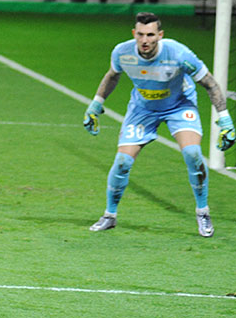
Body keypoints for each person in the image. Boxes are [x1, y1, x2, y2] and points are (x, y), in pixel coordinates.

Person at [83, 12, 234, 237]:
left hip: (179, 107)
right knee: (122, 161)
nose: (145, 40)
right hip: (143, 109)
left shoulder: (179, 53)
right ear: (134, 34)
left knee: (192, 154)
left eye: (151, 35)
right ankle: (109, 215)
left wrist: (225, 119)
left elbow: (210, 83)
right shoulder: (122, 52)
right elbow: (112, 76)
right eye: (141, 34)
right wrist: (95, 106)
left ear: (160, 35)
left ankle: (202, 212)